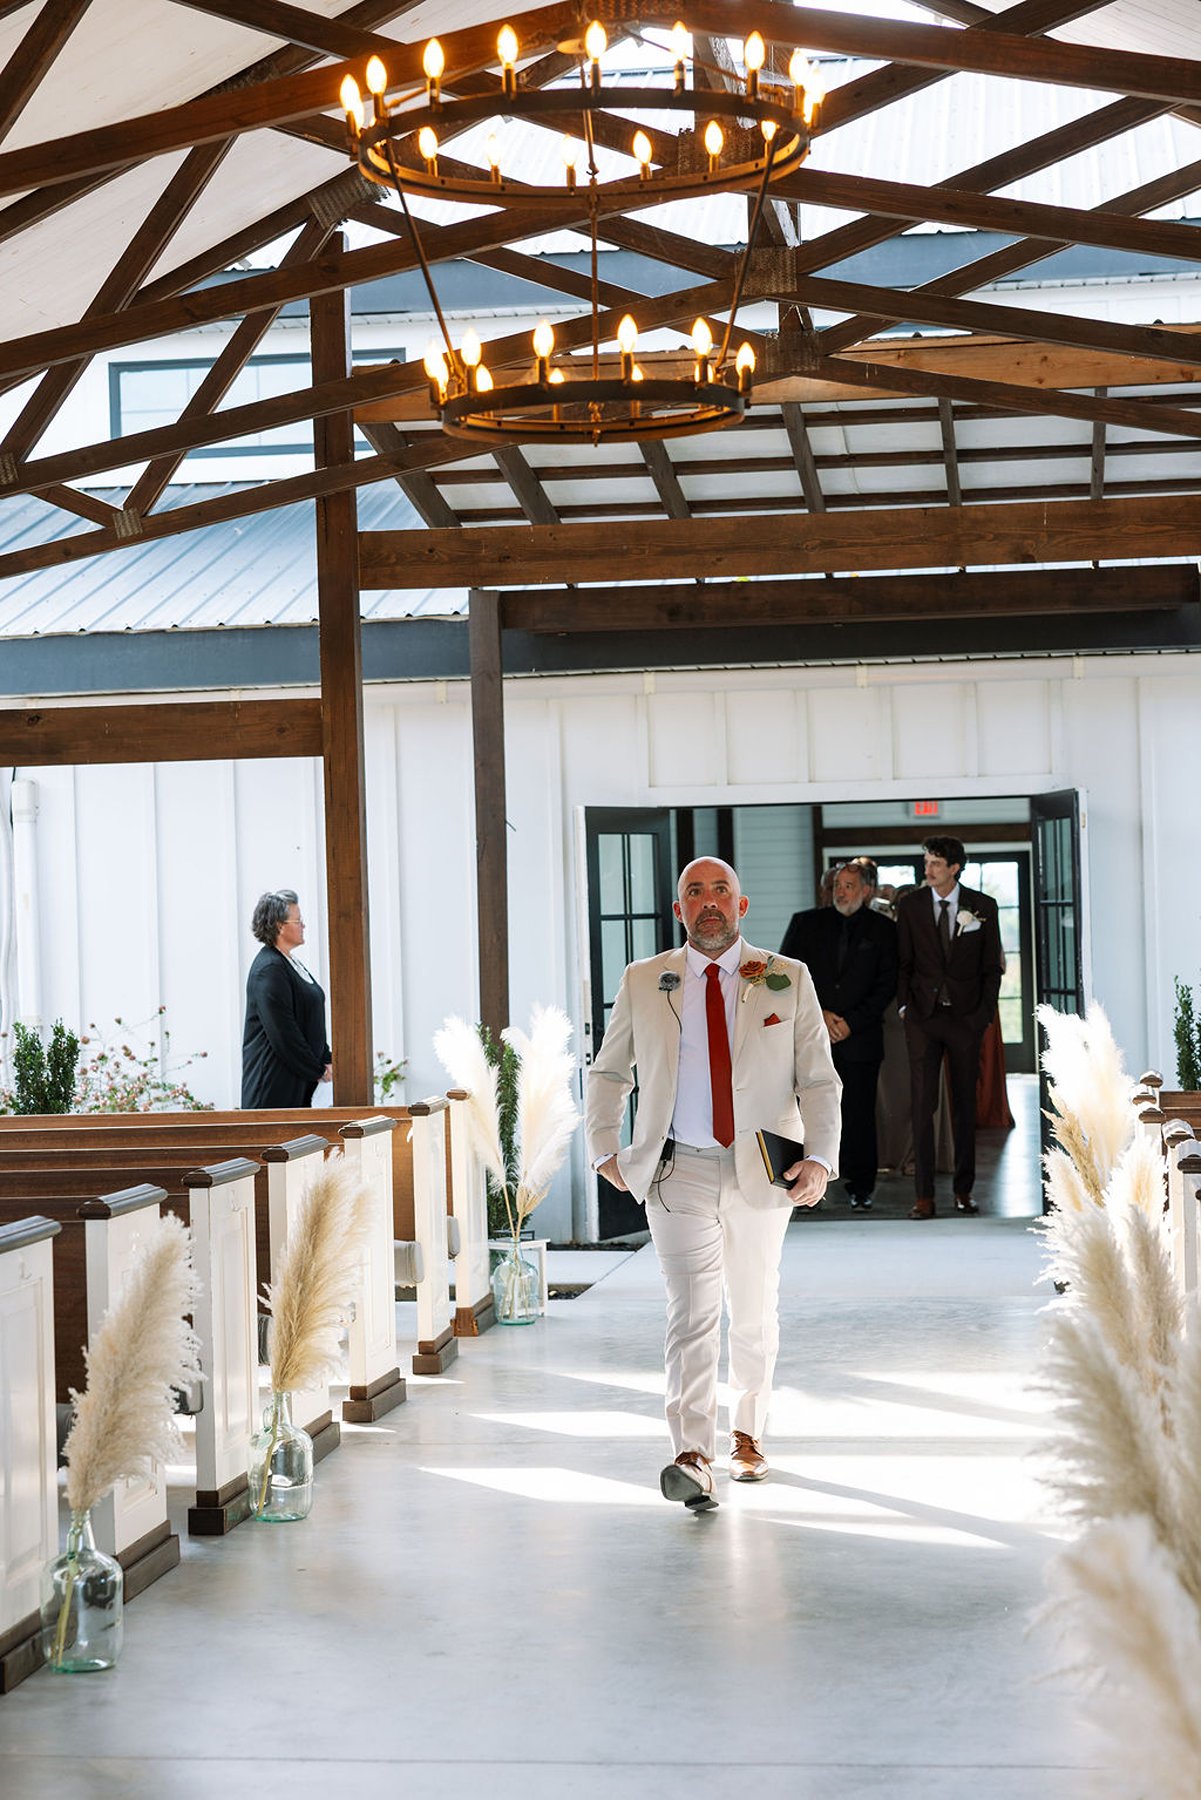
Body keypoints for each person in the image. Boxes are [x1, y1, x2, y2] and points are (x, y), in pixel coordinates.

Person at [585, 857, 841, 1511]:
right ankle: (691, 1454)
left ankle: (746, 1435)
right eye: (693, 893)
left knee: (751, 1309)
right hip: (677, 1168)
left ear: (741, 905)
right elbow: (608, 1070)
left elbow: (817, 1079)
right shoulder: (646, 980)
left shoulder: (787, 978)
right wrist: (603, 1149)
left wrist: (819, 1158)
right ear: (678, 912)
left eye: (718, 891)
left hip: (762, 1165)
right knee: (691, 1312)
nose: (707, 902)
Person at [779, 859, 898, 1210]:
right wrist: (823, 1017)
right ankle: (803, 1186)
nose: (840, 891)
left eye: (848, 885)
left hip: (860, 1038)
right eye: (836, 885)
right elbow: (786, 975)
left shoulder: (884, 930)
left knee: (860, 1115)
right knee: (807, 1112)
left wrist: (850, 1022)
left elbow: (886, 986)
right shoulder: (806, 923)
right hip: (813, 1036)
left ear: (866, 890)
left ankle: (861, 1186)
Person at [897, 838, 1003, 1219]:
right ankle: (923, 1197)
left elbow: (993, 968)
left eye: (937, 863)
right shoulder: (909, 906)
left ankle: (963, 1191)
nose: (929, 869)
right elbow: (903, 962)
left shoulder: (982, 907)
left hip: (965, 1020)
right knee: (922, 1106)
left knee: (963, 1107)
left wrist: (982, 1016)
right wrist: (907, 1006)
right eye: (926, 862)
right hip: (923, 1019)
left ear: (955, 867)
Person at [241, 889, 332, 1107]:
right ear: (279, 926)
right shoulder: (269, 969)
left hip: (297, 1081)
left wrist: (326, 1057)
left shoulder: (289, 963)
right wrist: (318, 1069)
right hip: (274, 1088)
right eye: (298, 921)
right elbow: (284, 1033)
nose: (304, 926)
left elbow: (308, 1021)